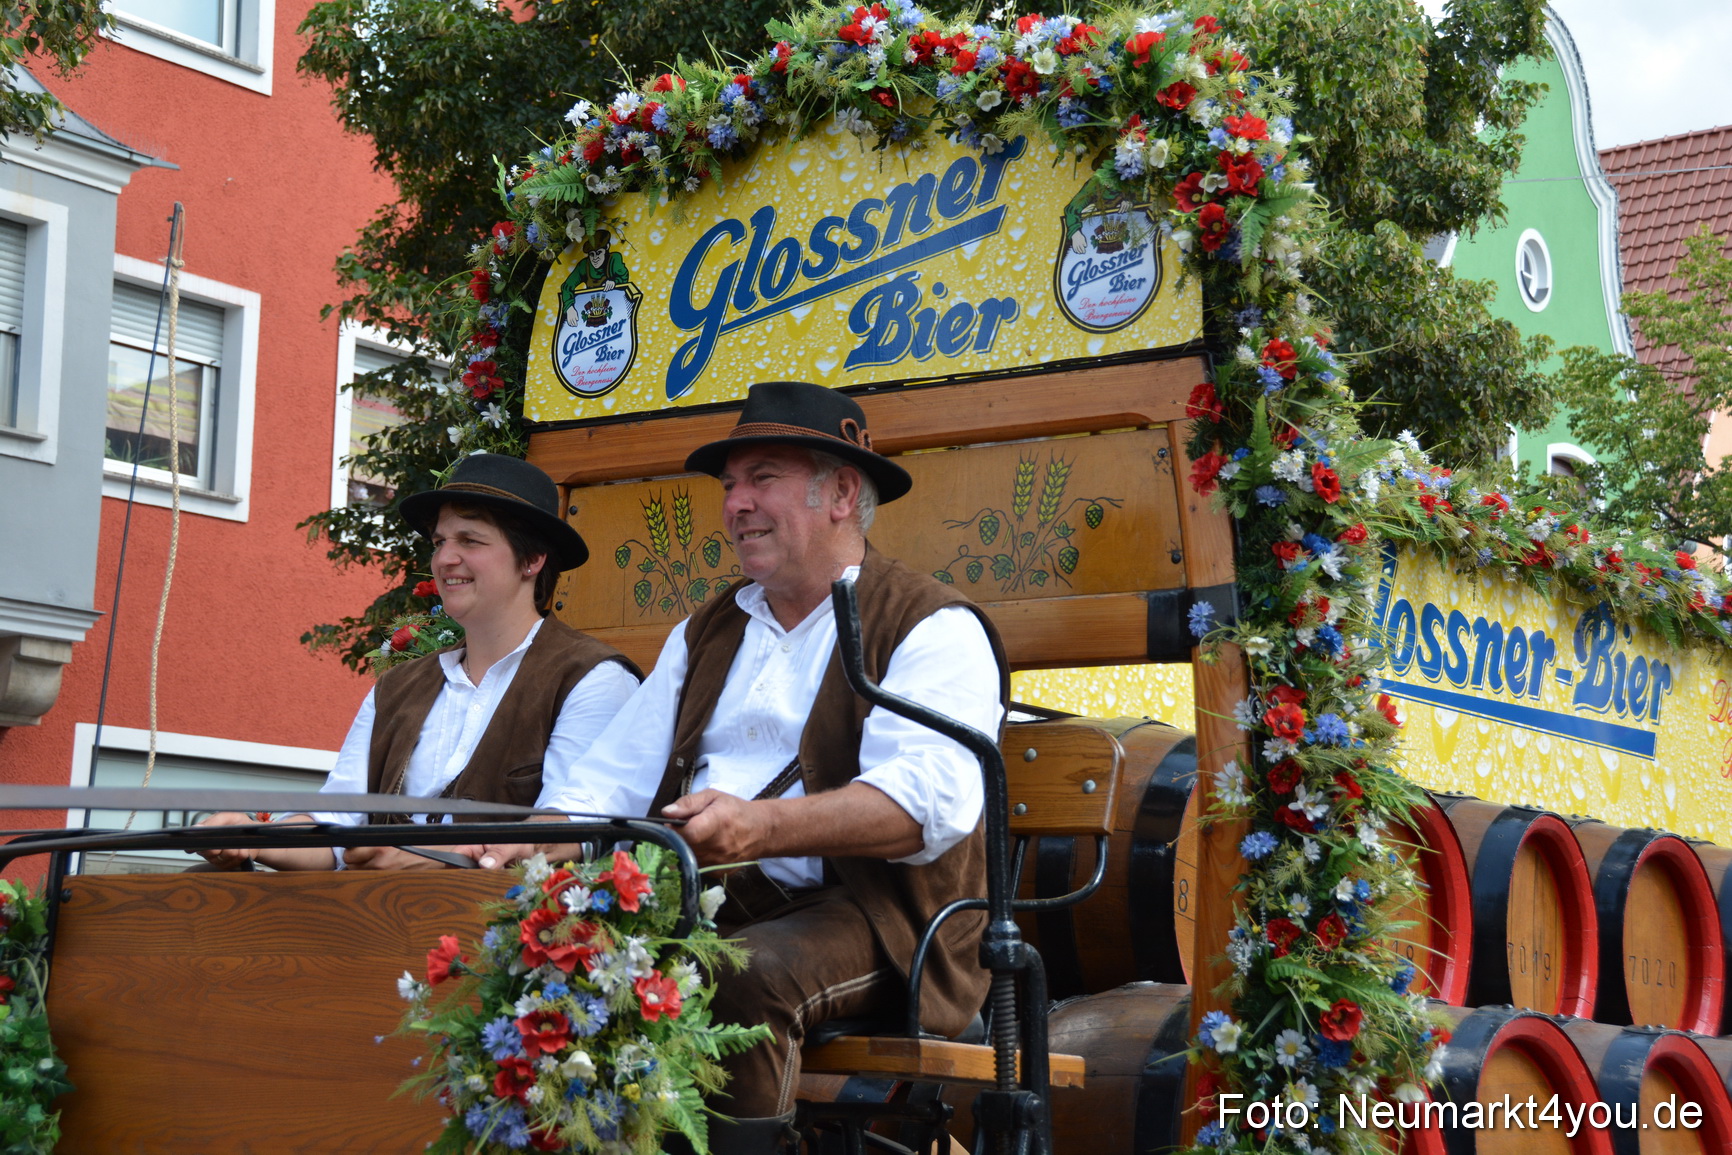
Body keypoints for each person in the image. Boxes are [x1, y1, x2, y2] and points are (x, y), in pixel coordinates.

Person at [459, 382, 1008, 1153]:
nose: (737, 503)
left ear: (843, 492)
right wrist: (532, 841)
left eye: (764, 478)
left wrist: (760, 826)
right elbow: (604, 783)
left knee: (742, 977)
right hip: (712, 902)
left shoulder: (931, 624)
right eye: (728, 485)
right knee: (547, 955)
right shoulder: (706, 630)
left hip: (885, 918)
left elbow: (922, 809)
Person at [196, 453, 641, 871]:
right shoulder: (398, 687)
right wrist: (256, 838)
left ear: (533, 559)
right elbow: (336, 823)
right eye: (440, 541)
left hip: (503, 940)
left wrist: (424, 855)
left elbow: (576, 828)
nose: (445, 558)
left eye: (470, 540)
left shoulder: (592, 678)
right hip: (381, 931)